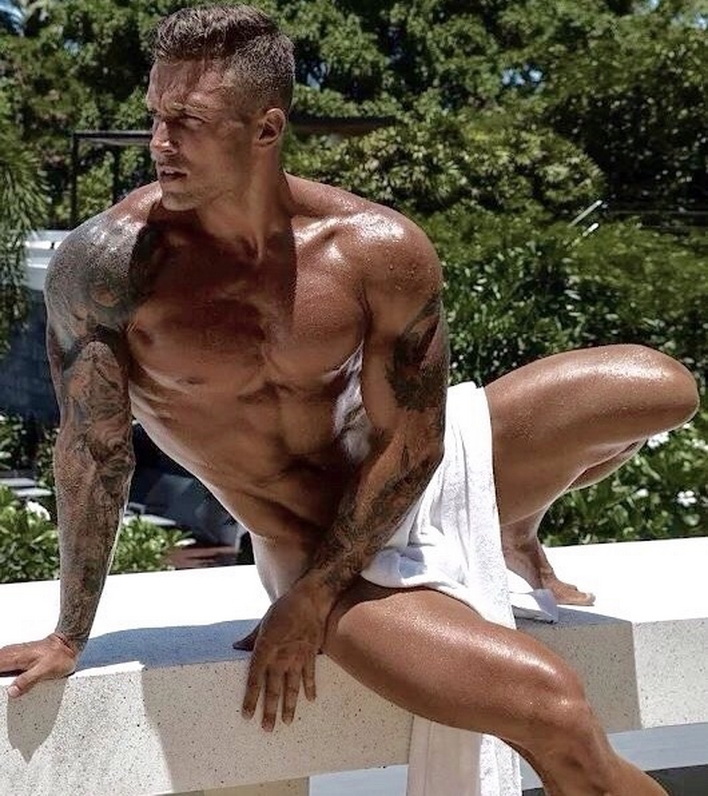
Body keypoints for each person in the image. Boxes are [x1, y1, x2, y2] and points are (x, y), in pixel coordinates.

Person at [0, 5, 698, 794]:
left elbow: (416, 442)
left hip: (413, 475)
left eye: (188, 122)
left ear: (266, 129)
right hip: (310, 547)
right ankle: (476, 541)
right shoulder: (111, 266)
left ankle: (508, 523)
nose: (160, 142)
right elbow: (95, 455)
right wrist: (71, 633)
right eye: (156, 116)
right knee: (556, 712)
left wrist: (326, 588)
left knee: (660, 388)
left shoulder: (374, 248)